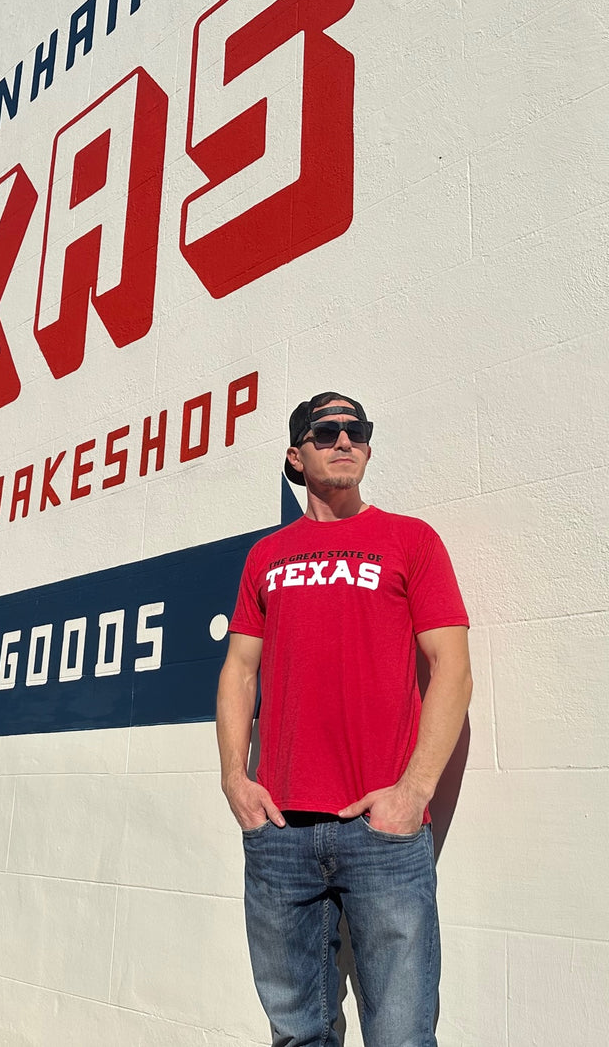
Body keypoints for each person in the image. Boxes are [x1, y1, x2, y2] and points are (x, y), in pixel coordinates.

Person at [216, 391, 473, 1047]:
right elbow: (239, 671)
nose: (343, 440)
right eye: (324, 430)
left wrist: (413, 793)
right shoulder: (265, 557)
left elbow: (452, 668)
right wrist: (233, 780)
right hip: (279, 835)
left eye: (355, 431)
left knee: (401, 1037)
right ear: (294, 456)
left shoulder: (409, 540)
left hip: (380, 835)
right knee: (298, 1034)